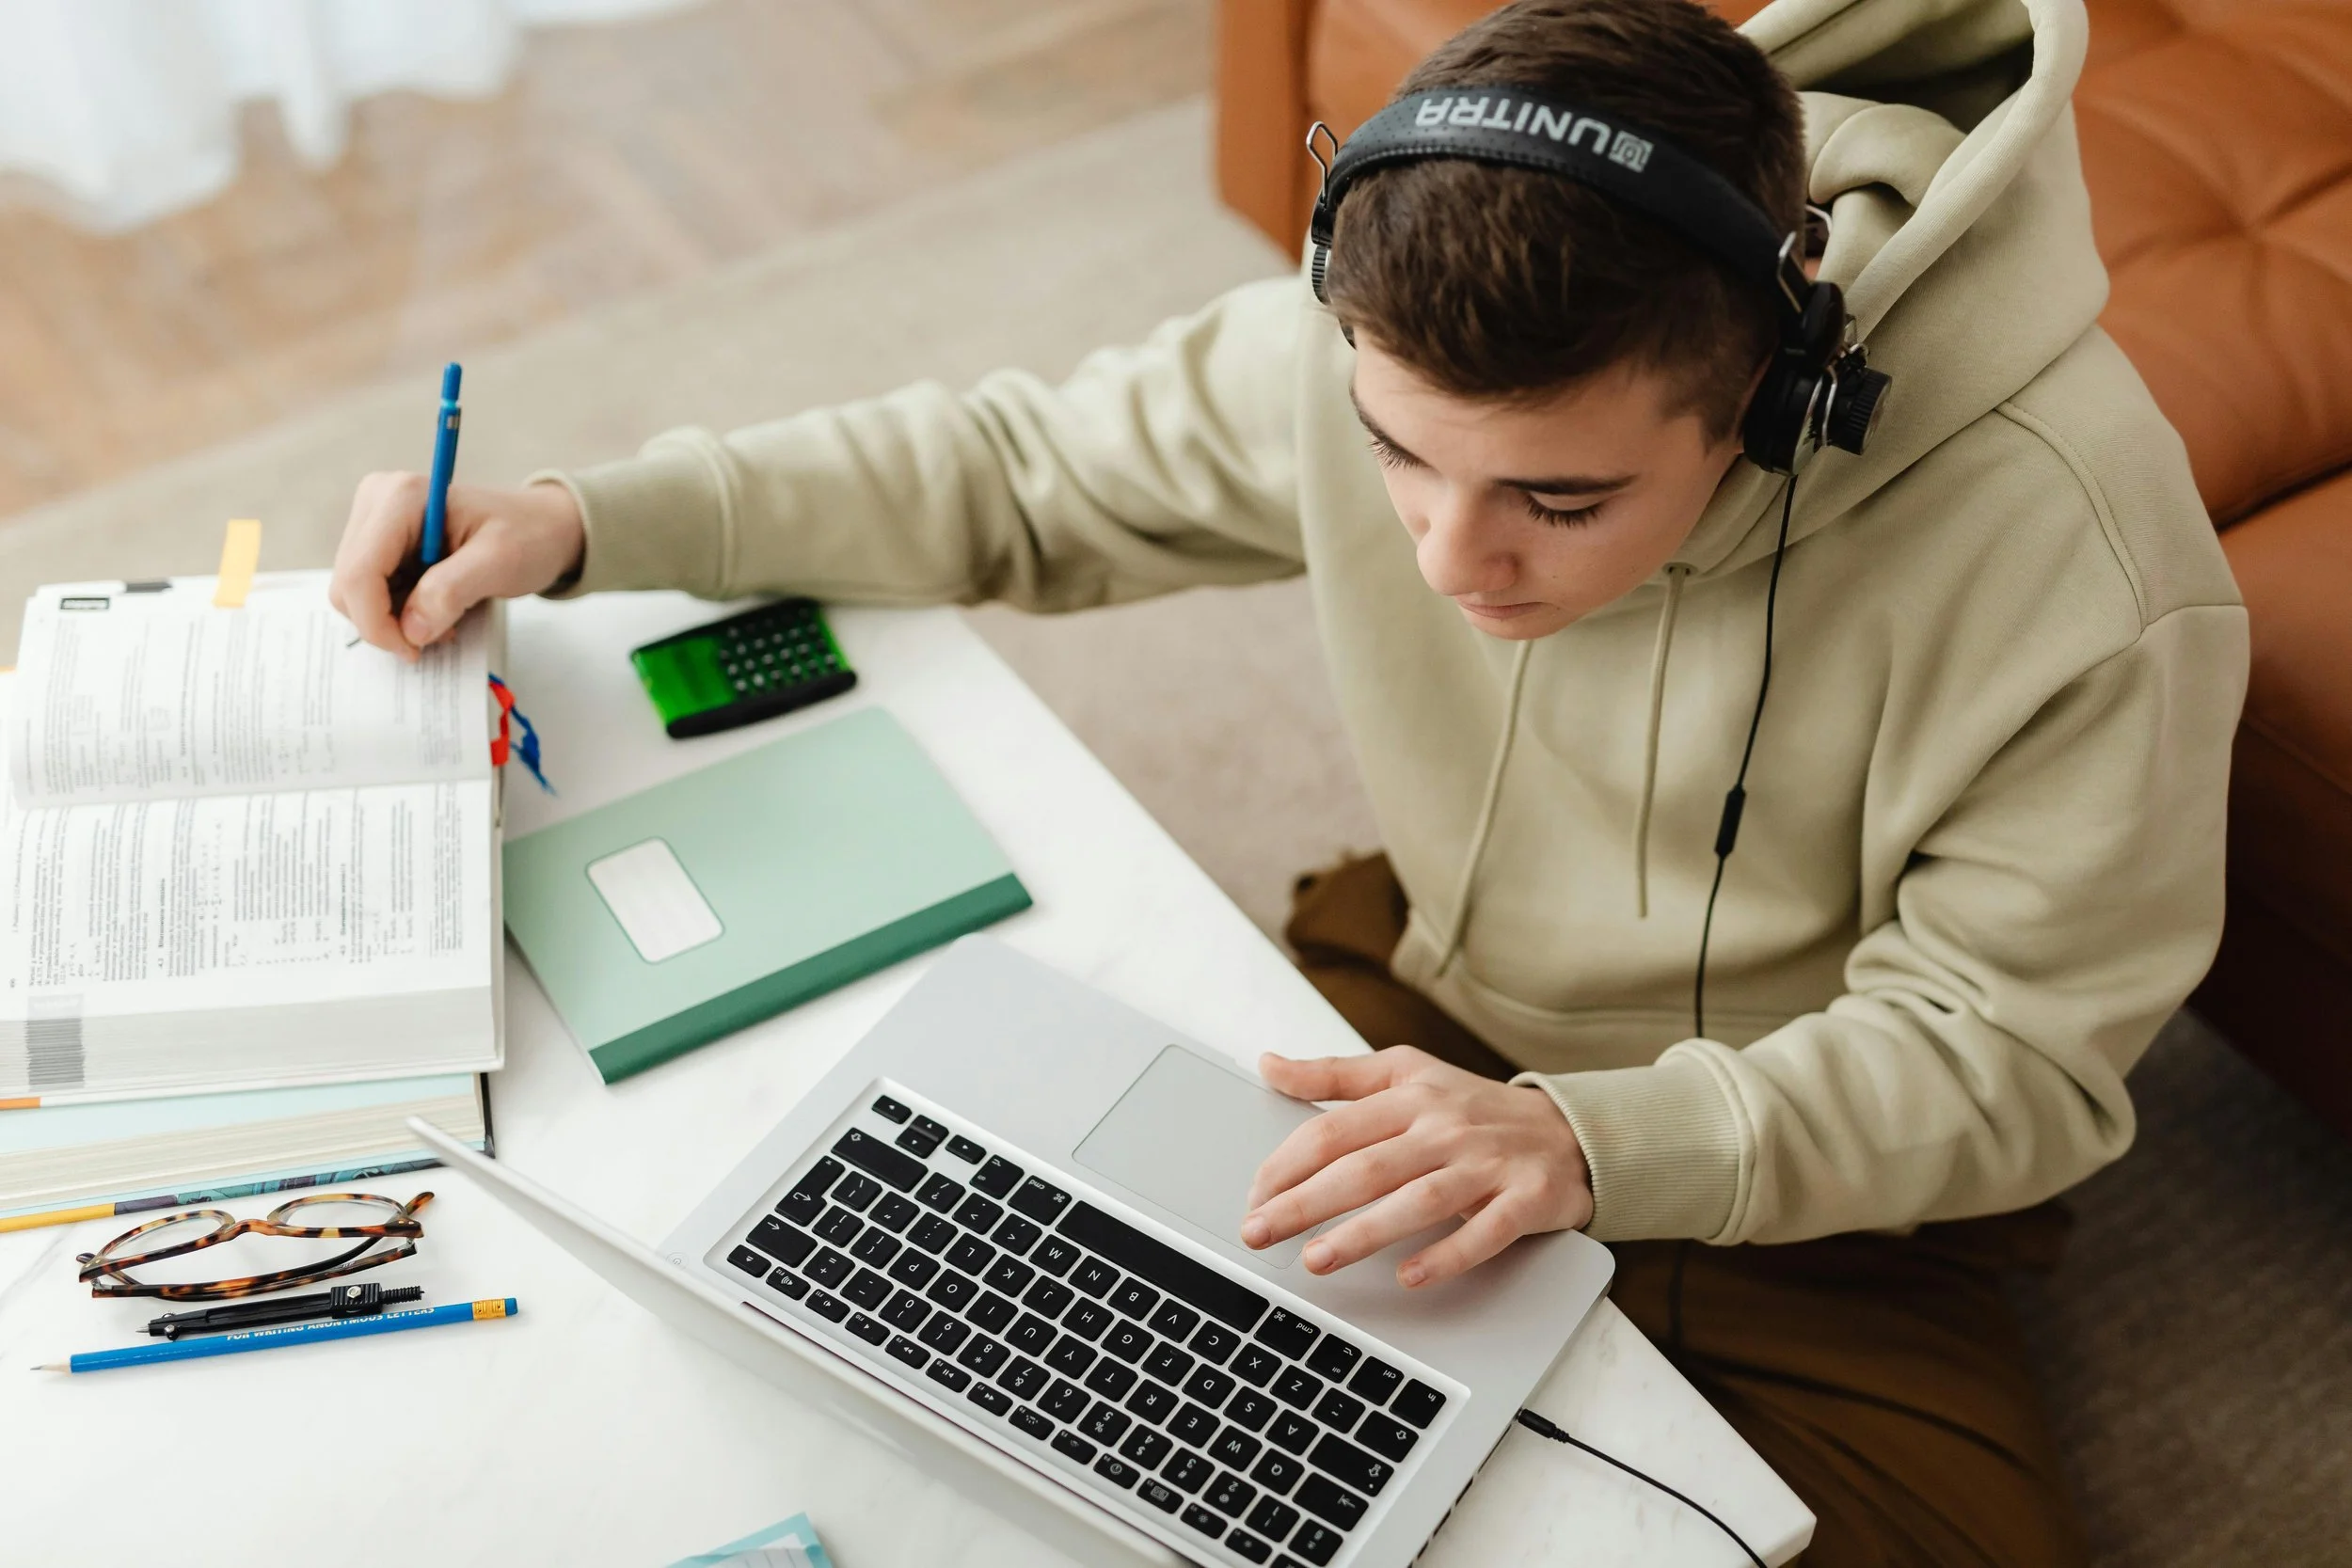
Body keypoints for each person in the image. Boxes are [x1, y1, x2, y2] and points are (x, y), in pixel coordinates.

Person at [331, 0, 2246, 1560]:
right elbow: (1020, 471)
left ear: (1770, 391)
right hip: (1423, 1014)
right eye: (1396, 457)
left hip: (1831, 1191)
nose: (1442, 557)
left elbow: (2005, 1052)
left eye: (1554, 500)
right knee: (1021, 1394)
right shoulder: (1398, 337)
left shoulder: (2083, 563)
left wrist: (1594, 1144)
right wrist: (591, 514)